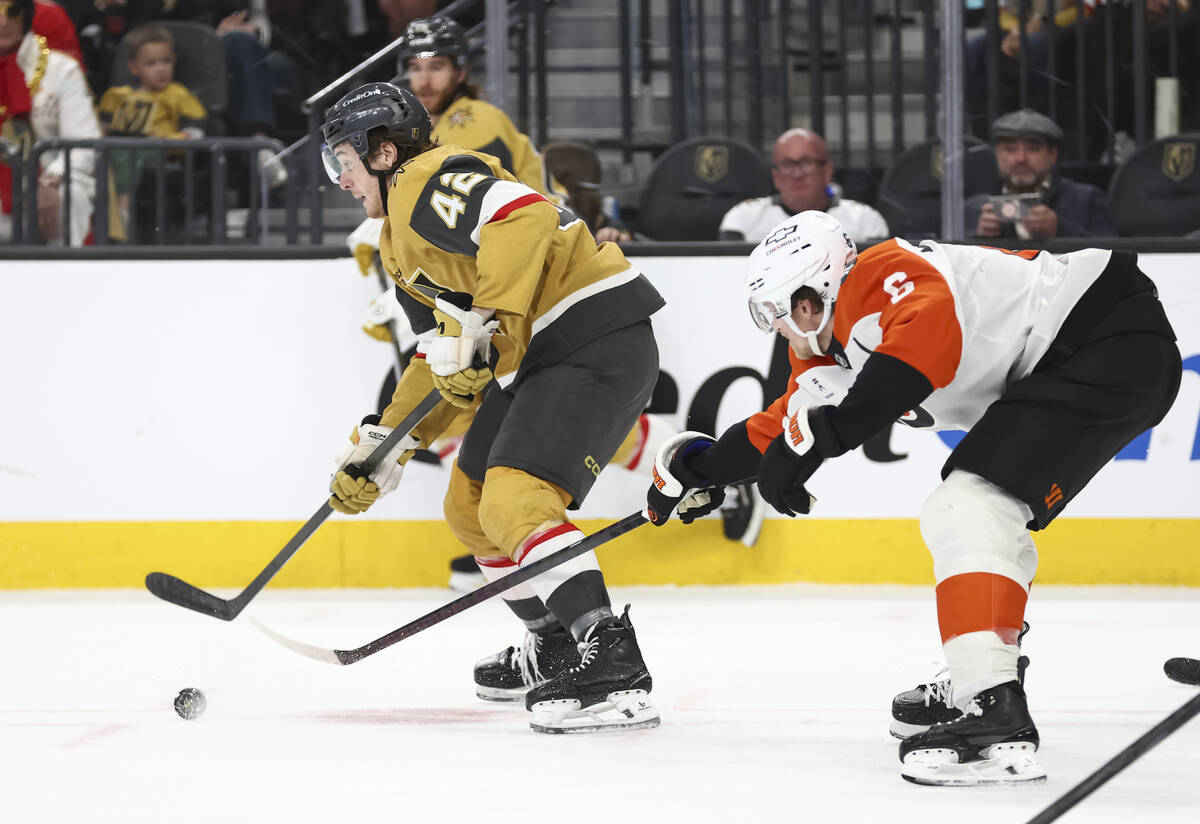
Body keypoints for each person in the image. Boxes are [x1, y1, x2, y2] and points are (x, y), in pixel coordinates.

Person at [645, 209, 1181, 784]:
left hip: (1104, 335)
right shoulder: (829, 346)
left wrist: (824, 438)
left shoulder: (883, 273)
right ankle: (985, 677)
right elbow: (783, 425)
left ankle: (992, 706)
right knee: (987, 513)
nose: (775, 327)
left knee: (968, 507)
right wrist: (699, 469)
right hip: (1079, 358)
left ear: (809, 299)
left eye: (775, 311)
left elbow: (920, 352)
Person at [321, 81, 664, 733]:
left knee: (515, 501)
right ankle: (555, 644)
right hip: (545, 356)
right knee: (469, 504)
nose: (339, 179)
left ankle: (614, 664)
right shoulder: (397, 237)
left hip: (590, 335)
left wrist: (485, 316)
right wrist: (386, 444)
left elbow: (521, 213)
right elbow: (439, 351)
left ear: (383, 152)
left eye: (342, 159)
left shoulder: (423, 179)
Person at [0, 0, 100, 245]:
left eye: (12, 11)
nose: (3, 22)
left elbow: (83, 144)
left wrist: (51, 180)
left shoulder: (62, 69)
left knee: (67, 197)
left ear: (26, 15)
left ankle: (65, 267)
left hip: (48, 181)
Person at [97, 24, 206, 237]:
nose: (161, 69)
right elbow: (102, 128)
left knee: (131, 154)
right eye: (151, 63)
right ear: (134, 67)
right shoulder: (116, 95)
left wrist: (166, 139)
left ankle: (123, 212)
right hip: (118, 147)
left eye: (166, 61)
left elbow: (195, 133)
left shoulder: (178, 94)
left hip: (160, 150)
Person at [718, 127, 888, 245]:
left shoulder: (864, 220)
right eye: (787, 164)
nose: (797, 174)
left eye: (806, 162)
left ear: (827, 171)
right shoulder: (743, 218)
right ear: (776, 177)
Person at [967, 108, 1115, 239]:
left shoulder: (1087, 200)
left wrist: (1059, 229)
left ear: (1052, 154)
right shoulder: (975, 208)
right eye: (1010, 149)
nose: (1021, 158)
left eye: (1033, 149)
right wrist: (979, 236)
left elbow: (1113, 254)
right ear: (998, 154)